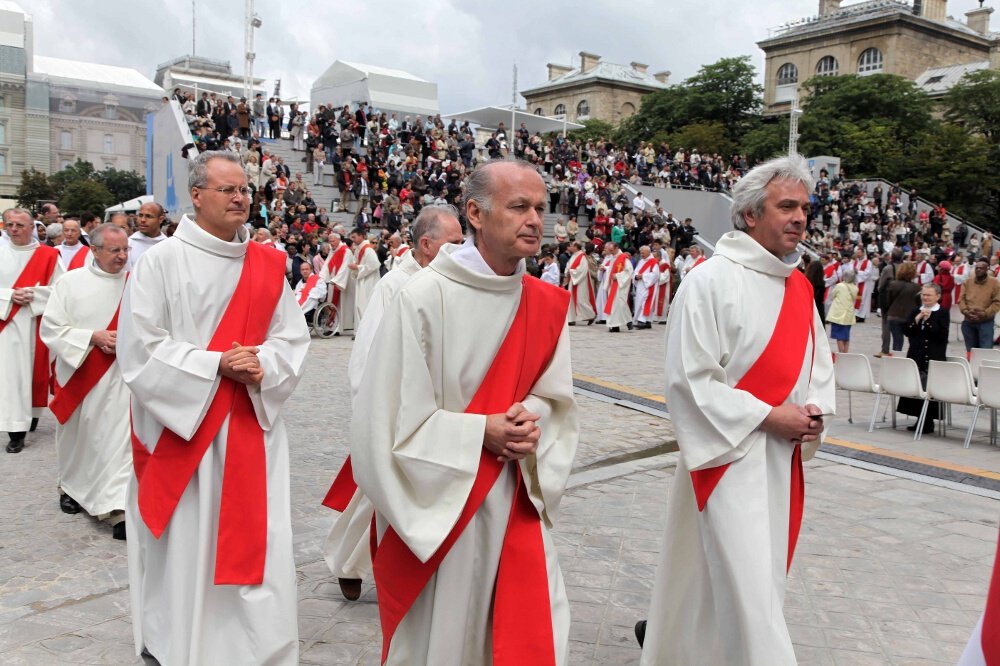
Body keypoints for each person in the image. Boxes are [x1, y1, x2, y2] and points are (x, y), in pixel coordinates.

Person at [351, 160, 577, 665]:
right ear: (475, 212)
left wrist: (529, 419)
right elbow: (387, 423)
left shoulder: (545, 304)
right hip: (445, 505)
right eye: (519, 207)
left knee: (534, 633)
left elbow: (556, 397)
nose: (535, 220)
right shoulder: (423, 297)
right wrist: (480, 431)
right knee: (445, 641)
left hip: (516, 496)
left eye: (541, 207)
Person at [638, 155, 835, 665]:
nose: (798, 218)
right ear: (749, 214)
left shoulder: (800, 288)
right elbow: (689, 380)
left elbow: (819, 366)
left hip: (781, 460)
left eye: (804, 208)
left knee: (732, 583)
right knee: (750, 593)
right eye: (785, 206)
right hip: (726, 460)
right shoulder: (709, 282)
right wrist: (772, 416)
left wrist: (813, 411)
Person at [117, 151, 310, 665]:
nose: (240, 197)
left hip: (250, 424)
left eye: (245, 189)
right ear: (196, 196)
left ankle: (256, 649)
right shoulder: (160, 262)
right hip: (186, 434)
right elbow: (140, 350)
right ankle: (178, 645)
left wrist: (262, 362)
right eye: (227, 189)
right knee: (186, 547)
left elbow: (291, 339)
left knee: (259, 546)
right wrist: (213, 365)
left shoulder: (268, 264)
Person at [322, 204, 463, 601]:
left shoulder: (455, 281)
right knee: (378, 491)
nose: (463, 249)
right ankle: (348, 562)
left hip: (441, 408)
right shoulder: (395, 285)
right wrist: (371, 413)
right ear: (426, 244)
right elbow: (368, 352)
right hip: (399, 407)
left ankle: (425, 571)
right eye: (454, 242)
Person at [40, 223, 131, 540]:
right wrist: (92, 336)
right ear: (94, 250)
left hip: (123, 378)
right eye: (114, 250)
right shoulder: (70, 283)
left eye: (125, 249)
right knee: (81, 437)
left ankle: (118, 507)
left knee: (120, 441)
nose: (122, 256)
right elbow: (51, 329)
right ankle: (71, 488)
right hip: (80, 375)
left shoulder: (138, 284)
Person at [0, 208, 63, 453]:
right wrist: (8, 296)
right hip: (5, 325)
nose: (14, 229)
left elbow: (62, 289)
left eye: (20, 225)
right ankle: (15, 430)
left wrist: (35, 295)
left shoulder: (48, 255)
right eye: (10, 224)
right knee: (11, 377)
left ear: (32, 227)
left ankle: (29, 417)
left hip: (33, 324)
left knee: (29, 375)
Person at [896, 283, 949, 434]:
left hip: (934, 356)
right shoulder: (915, 310)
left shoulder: (943, 313)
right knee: (917, 387)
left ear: (937, 296)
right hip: (916, 355)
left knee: (930, 388)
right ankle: (919, 418)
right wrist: (918, 318)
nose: (925, 298)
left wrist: (930, 322)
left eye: (929, 295)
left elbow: (941, 336)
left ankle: (928, 421)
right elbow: (907, 330)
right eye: (923, 295)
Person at [959, 258, 1000, 352]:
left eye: (981, 268)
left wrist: (984, 314)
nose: (978, 270)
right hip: (968, 321)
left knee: (985, 351)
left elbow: (997, 302)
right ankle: (972, 366)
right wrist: (966, 311)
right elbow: (961, 299)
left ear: (987, 269)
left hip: (986, 322)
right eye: (976, 268)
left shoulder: (994, 283)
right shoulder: (968, 282)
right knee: (971, 351)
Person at [884, 262, 922, 355]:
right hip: (910, 317)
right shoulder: (917, 287)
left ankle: (897, 361)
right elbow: (919, 304)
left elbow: (887, 301)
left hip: (894, 315)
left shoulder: (892, 285)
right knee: (913, 341)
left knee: (897, 342)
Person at [349, 228, 380, 327]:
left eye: (354, 237)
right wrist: (355, 267)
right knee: (360, 305)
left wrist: (357, 267)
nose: (352, 240)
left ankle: (366, 329)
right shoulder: (358, 249)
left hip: (369, 281)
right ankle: (360, 330)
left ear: (362, 236)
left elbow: (374, 264)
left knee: (365, 305)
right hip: (362, 279)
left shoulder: (368, 249)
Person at [827, 266, 859, 353]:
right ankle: (845, 352)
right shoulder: (855, 288)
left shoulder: (839, 286)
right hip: (848, 314)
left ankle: (841, 353)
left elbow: (832, 295)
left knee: (839, 336)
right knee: (846, 336)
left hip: (838, 313)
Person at [127, 202, 167, 269]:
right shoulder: (128, 244)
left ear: (161, 219)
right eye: (140, 215)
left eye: (148, 216)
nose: (143, 220)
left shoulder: (168, 244)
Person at [604, 242, 633, 333]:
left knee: (620, 304)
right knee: (614, 305)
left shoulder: (623, 258)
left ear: (617, 248)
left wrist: (618, 276)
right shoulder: (613, 257)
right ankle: (615, 325)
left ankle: (625, 322)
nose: (611, 252)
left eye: (612, 250)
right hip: (613, 285)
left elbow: (629, 271)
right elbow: (611, 269)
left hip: (620, 284)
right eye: (610, 251)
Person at [565, 241, 596, 325]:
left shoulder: (582, 256)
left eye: (571, 245)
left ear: (576, 247)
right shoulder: (574, 256)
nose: (569, 247)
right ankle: (571, 319)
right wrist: (567, 271)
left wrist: (571, 271)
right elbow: (569, 265)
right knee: (571, 300)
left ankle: (591, 315)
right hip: (573, 280)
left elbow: (583, 269)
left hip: (580, 282)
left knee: (581, 300)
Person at [632, 245, 660, 329]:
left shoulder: (653, 262)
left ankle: (642, 321)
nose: (642, 254)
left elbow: (656, 274)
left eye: (643, 253)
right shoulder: (641, 261)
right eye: (641, 253)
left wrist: (643, 276)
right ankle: (648, 321)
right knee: (639, 302)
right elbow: (636, 271)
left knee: (646, 303)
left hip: (649, 285)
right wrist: (636, 276)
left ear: (648, 252)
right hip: (640, 285)